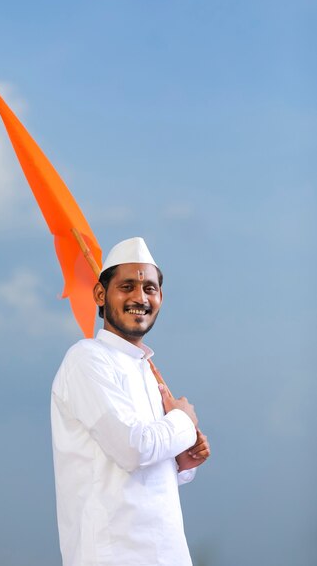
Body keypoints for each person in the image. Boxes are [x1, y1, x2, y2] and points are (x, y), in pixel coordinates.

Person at [51, 237, 210, 566]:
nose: (140, 297)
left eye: (149, 289)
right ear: (100, 294)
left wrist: (181, 462)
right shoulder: (87, 360)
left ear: (161, 298)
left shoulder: (146, 370)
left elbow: (138, 470)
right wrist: (183, 420)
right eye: (126, 286)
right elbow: (132, 449)